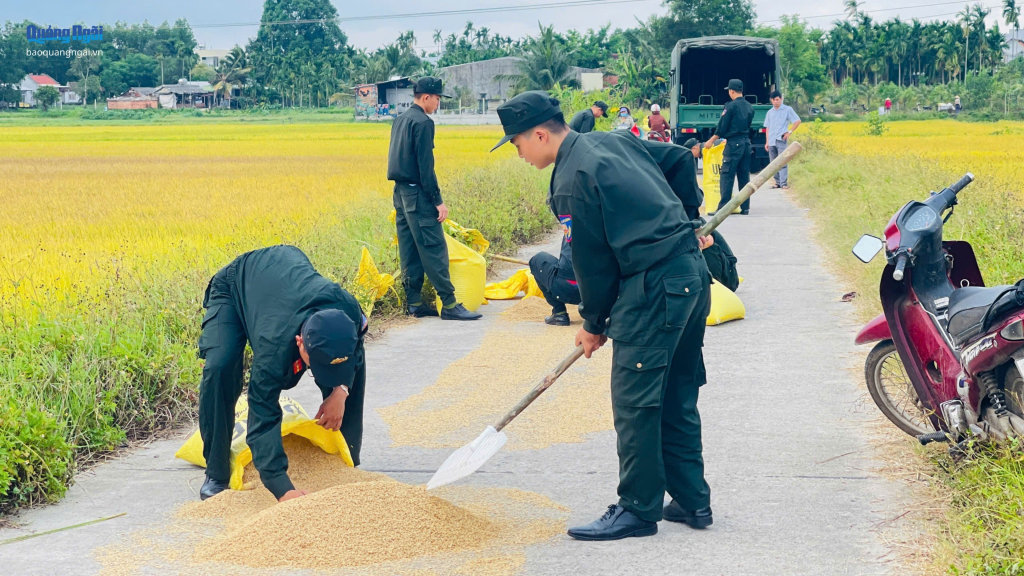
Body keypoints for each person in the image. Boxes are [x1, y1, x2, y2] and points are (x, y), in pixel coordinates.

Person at [493, 91, 715, 541]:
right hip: (690, 275)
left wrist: (592, 324)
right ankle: (693, 500)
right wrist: (687, 219)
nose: (519, 154)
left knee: (636, 402)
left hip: (654, 287)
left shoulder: (570, 180)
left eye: (517, 144)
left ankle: (637, 509)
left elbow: (591, 263)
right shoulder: (615, 141)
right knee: (675, 390)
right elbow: (674, 159)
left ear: (539, 134)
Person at [197, 245, 367, 502]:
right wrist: (282, 488)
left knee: (345, 385)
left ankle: (346, 461)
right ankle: (216, 471)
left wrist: (340, 391)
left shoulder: (349, 312)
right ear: (300, 342)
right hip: (234, 286)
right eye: (316, 366)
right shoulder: (273, 346)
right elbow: (262, 414)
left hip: (284, 279)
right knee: (220, 367)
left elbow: (355, 355)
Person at [387, 77, 482, 321]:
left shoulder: (400, 120)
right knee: (433, 247)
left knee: (410, 249)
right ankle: (450, 304)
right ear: (426, 97)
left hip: (400, 194)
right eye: (437, 99)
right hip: (418, 194)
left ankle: (415, 302)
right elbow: (425, 168)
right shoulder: (423, 122)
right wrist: (437, 200)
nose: (438, 104)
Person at [704, 79, 754, 216]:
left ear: (732, 91)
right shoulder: (749, 106)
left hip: (734, 145)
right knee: (744, 176)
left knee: (727, 175)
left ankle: (723, 209)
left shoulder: (730, 106)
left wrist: (711, 140)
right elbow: (748, 125)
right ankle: (745, 208)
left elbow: (722, 126)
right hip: (746, 143)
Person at [528, 232, 580, 326]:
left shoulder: (570, 222)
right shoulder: (609, 223)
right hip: (599, 294)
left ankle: (559, 312)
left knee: (538, 259)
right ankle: (607, 313)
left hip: (566, 288)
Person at [763, 90, 801, 190]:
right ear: (771, 100)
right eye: (774, 100)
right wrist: (767, 142)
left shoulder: (787, 110)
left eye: (777, 99)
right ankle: (777, 182)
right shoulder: (770, 112)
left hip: (781, 139)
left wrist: (790, 132)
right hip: (771, 140)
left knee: (782, 161)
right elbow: (768, 128)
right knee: (773, 163)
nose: (776, 102)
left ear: (781, 99)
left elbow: (797, 121)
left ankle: (784, 183)